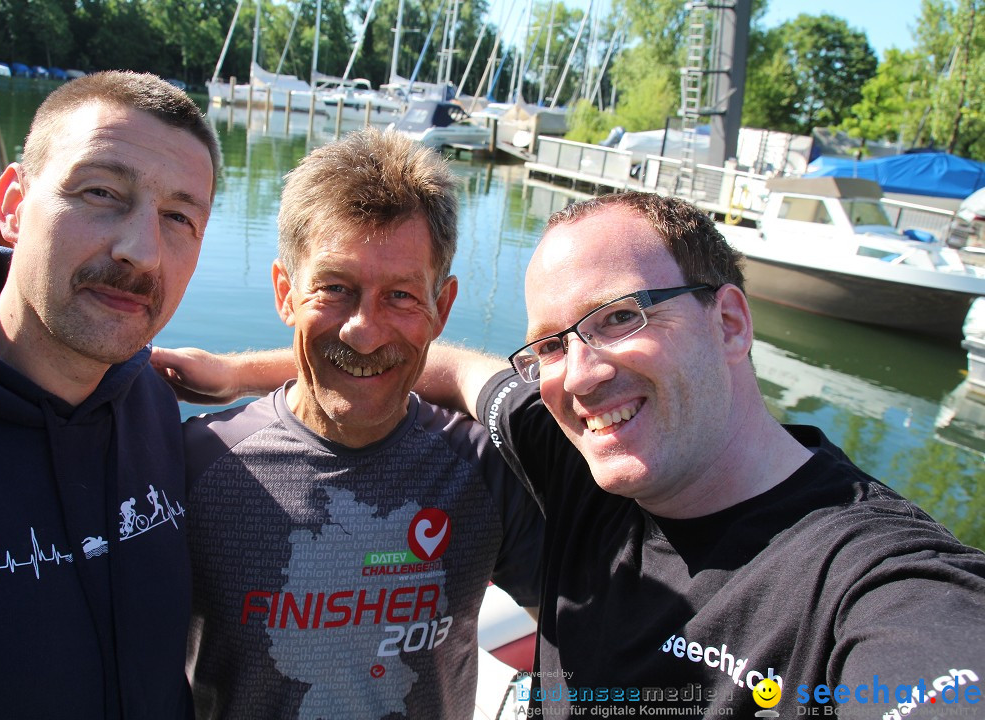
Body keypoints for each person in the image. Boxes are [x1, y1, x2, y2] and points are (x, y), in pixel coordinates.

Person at [155, 191, 985, 718]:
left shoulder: (872, 578)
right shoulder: (576, 462)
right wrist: (238, 371)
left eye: (621, 316)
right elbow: (427, 361)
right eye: (551, 343)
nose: (581, 374)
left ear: (731, 323)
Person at [157, 128, 542, 720]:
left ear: (442, 307)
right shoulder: (197, 465)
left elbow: (589, 635)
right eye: (335, 288)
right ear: (286, 292)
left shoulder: (485, 473)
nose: (364, 330)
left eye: (402, 296)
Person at [0, 71, 220, 719]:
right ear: (14, 204)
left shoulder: (153, 407)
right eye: (101, 191)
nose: (141, 251)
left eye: (179, 217)